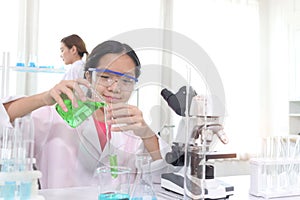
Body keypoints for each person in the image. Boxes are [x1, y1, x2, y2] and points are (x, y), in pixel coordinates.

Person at [18, 40, 170, 189]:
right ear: (89, 77)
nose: (115, 88)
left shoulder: (134, 127)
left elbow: (165, 178)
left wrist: (147, 135)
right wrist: (43, 98)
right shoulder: (55, 116)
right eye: (106, 77)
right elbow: (6, 128)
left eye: (126, 80)